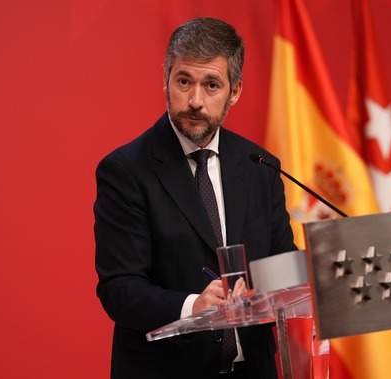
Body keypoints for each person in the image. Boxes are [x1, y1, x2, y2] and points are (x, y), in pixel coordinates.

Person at [94, 17, 295, 379]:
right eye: (184, 81)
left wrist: (286, 285)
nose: (195, 101)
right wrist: (193, 306)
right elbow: (119, 289)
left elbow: (283, 271)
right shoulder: (126, 170)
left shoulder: (260, 167)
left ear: (235, 91)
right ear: (166, 80)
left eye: (212, 85)